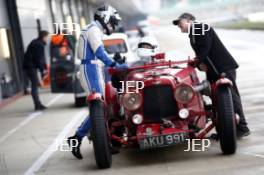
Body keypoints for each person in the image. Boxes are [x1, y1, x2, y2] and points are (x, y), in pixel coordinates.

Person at [172, 13, 250, 138]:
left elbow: (204, 49)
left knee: (231, 97)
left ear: (189, 20)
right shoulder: (193, 33)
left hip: (223, 68)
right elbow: (202, 54)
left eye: (179, 22)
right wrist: (198, 63)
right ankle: (224, 131)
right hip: (214, 70)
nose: (178, 25)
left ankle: (242, 127)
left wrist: (197, 62)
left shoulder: (200, 27)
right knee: (217, 100)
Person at [67, 5, 128, 159]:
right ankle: (77, 137)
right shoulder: (93, 29)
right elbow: (99, 51)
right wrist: (114, 64)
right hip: (90, 69)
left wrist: (113, 61)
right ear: (106, 18)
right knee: (98, 107)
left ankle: (101, 142)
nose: (113, 25)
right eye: (112, 21)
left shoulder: (94, 29)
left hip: (94, 68)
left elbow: (99, 52)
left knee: (102, 108)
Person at [23, 31, 49, 111]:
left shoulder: (35, 42)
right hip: (30, 66)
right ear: (44, 37)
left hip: (30, 66)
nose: (47, 39)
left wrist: (43, 68)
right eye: (47, 37)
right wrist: (42, 70)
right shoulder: (39, 44)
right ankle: (37, 105)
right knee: (34, 86)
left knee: (35, 85)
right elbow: (38, 59)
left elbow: (39, 58)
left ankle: (38, 104)